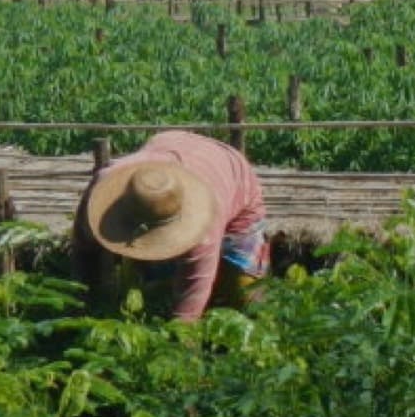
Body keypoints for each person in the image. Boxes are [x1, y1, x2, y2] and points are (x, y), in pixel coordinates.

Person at [75, 130, 269, 321]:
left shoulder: (205, 228)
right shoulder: (105, 184)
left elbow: (188, 309)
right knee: (151, 286)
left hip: (234, 180)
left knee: (245, 294)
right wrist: (85, 300)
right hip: (172, 143)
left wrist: (177, 345)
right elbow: (84, 246)